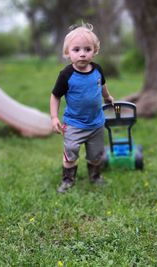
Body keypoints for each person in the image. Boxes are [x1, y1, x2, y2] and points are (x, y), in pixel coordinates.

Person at [50, 23, 114, 193]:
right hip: (74, 124)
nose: (83, 54)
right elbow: (55, 95)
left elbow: (102, 86)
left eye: (87, 49)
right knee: (70, 152)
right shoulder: (66, 75)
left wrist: (107, 97)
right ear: (67, 53)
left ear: (94, 51)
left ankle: (95, 176)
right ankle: (68, 180)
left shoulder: (98, 70)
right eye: (76, 49)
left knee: (96, 154)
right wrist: (54, 117)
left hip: (96, 123)